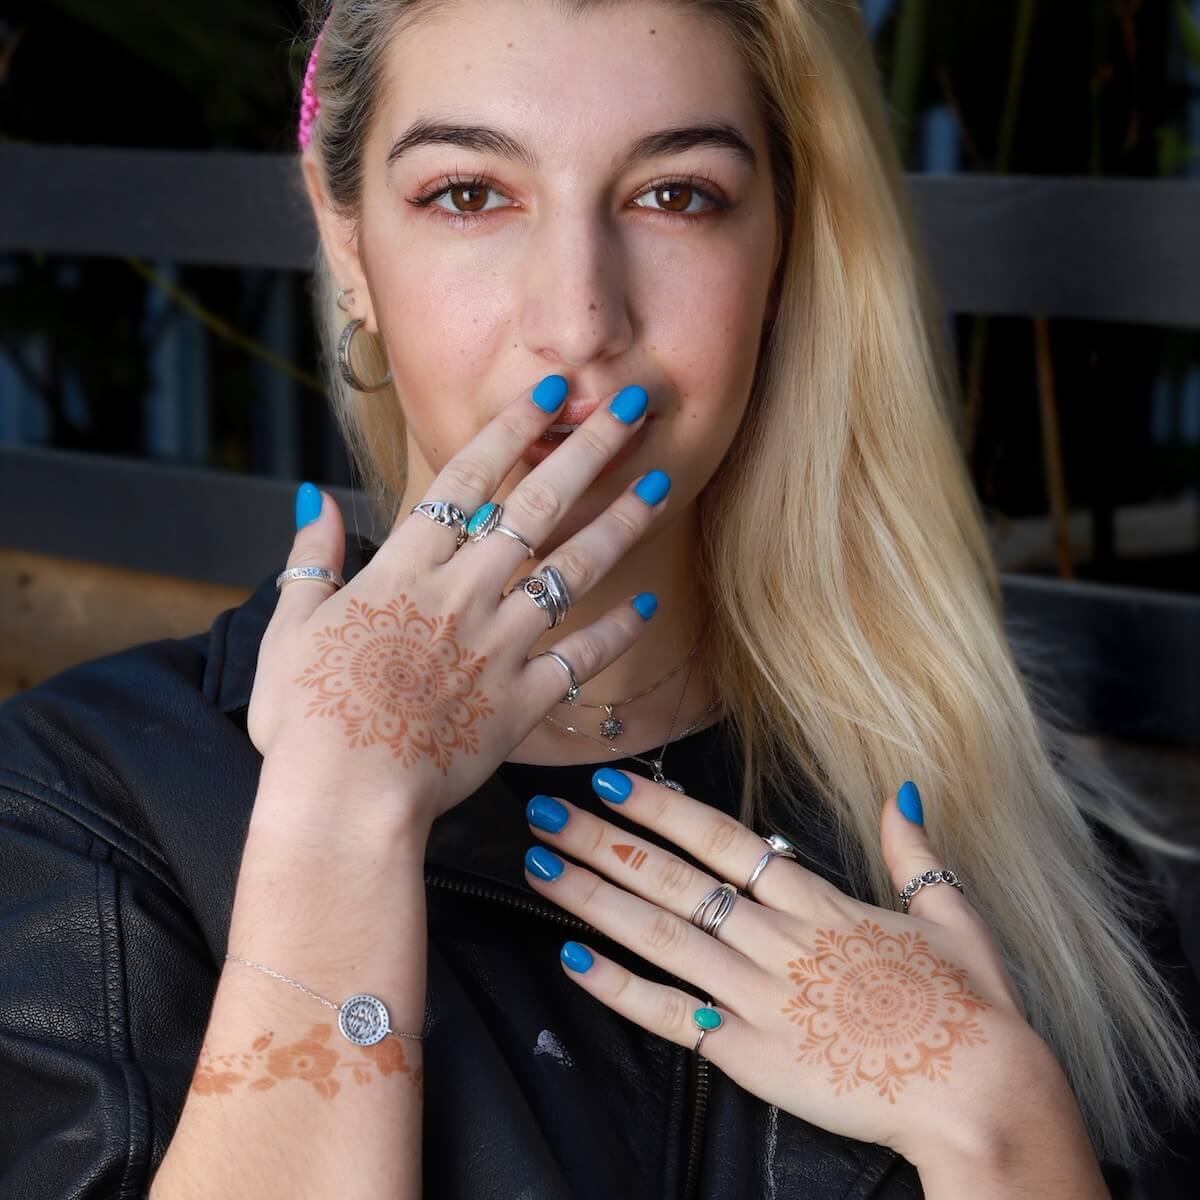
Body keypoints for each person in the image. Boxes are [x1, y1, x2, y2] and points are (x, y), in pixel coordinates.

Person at [2, 1, 1199, 1196]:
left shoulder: (1031, 848)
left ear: (783, 253)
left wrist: (1008, 1139)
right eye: (469, 193)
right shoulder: (77, 810)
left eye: (677, 194)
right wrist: (335, 834)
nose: (578, 320)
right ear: (349, 240)